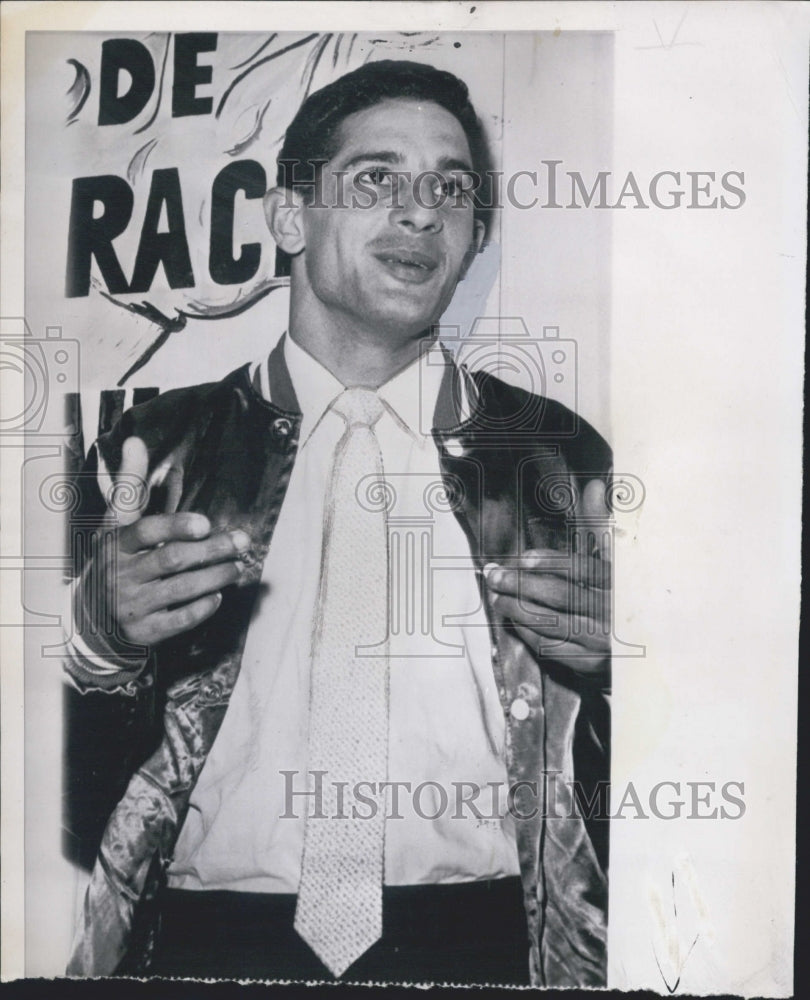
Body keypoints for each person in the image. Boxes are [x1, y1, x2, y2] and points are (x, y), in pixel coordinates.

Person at [63, 59, 612, 987]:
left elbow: (662, 800)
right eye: (377, 179)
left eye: (451, 187)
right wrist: (96, 645)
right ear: (289, 215)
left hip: (485, 950)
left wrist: (627, 673)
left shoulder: (558, 461)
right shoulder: (148, 454)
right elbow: (70, 813)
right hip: (204, 951)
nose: (421, 211)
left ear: (475, 234)